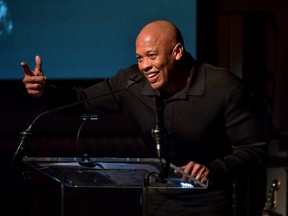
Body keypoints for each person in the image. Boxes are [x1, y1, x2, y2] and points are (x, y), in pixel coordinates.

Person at [21, 20, 267, 216]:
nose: (144, 66)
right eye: (140, 58)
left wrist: (211, 169)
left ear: (177, 52)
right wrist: (44, 91)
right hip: (156, 199)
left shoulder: (222, 86)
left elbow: (254, 150)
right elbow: (81, 100)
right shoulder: (131, 82)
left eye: (152, 56)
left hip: (207, 200)